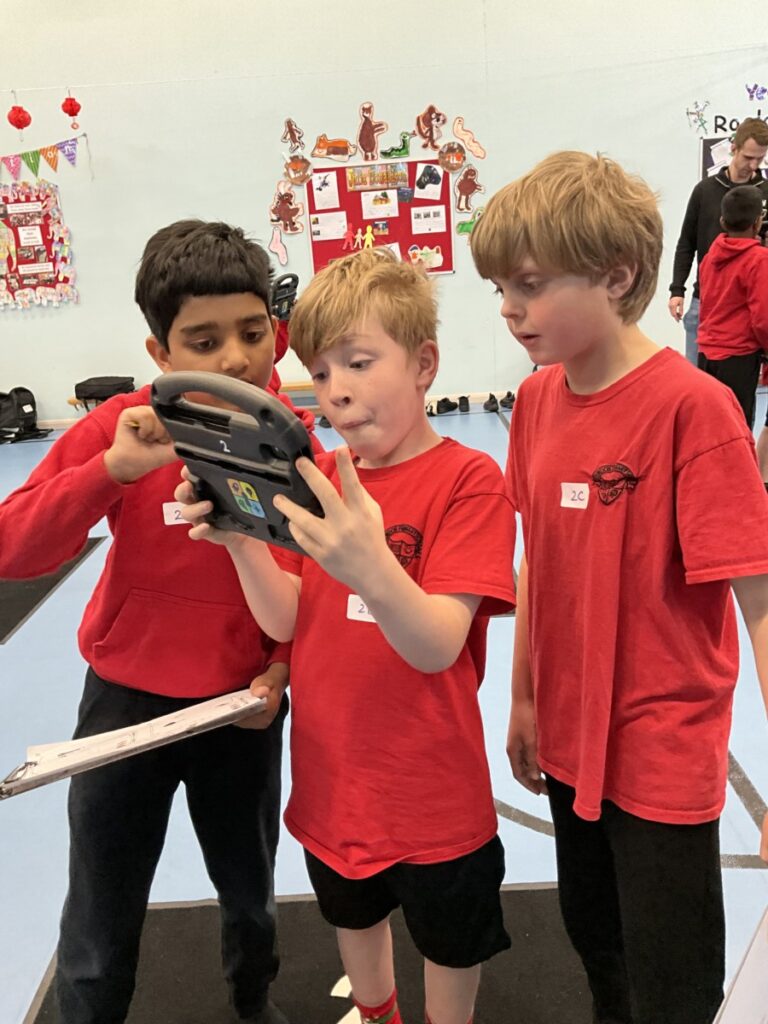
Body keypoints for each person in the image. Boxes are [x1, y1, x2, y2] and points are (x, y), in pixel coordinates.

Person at [177, 247, 516, 1024]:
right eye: (321, 373)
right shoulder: (319, 475)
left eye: (359, 363)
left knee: (450, 944)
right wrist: (239, 543)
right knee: (353, 918)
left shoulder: (469, 480)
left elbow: (437, 644)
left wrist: (369, 565)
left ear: (424, 364)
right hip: (335, 783)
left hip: (432, 794)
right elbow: (288, 619)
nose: (337, 391)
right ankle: (376, 1014)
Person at [470, 151, 768, 1024]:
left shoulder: (693, 410)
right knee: (596, 944)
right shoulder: (535, 402)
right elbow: (537, 560)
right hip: (568, 736)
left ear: (617, 275)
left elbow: (758, 602)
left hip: (660, 752)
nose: (509, 309)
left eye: (529, 285)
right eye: (500, 288)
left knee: (671, 980)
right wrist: (524, 700)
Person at [0, 220, 321, 1024]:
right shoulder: (126, 427)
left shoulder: (295, 441)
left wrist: (281, 665)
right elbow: (14, 547)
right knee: (100, 910)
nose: (234, 358)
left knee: (249, 891)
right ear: (161, 353)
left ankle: (254, 1003)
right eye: (203, 341)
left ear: (276, 333)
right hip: (124, 706)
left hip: (242, 708)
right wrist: (110, 472)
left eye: (252, 333)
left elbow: (313, 578)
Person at [668, 116, 768, 364]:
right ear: (734, 148)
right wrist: (677, 289)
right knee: (697, 382)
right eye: (748, 157)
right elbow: (687, 242)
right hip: (705, 301)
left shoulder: (765, 191)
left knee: (744, 385)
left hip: (747, 305)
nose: (753, 165)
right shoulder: (705, 190)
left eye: (759, 159)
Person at [696, 185, 768, 428]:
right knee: (737, 429)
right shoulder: (759, 260)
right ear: (757, 223)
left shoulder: (709, 258)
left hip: (706, 355)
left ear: (722, 221)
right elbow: (763, 318)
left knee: (710, 428)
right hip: (738, 358)